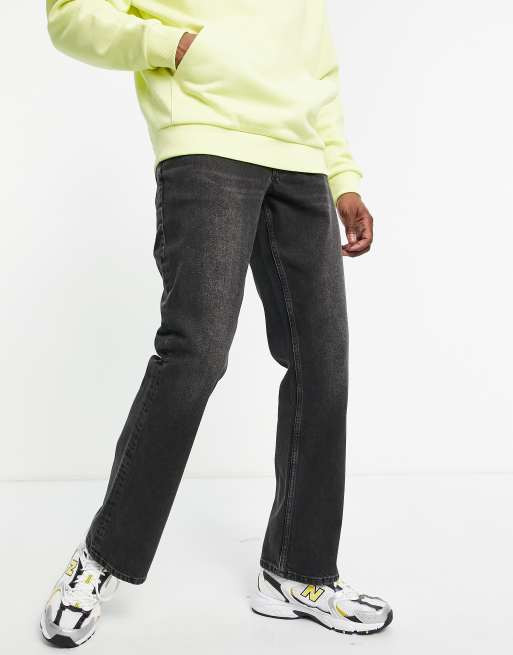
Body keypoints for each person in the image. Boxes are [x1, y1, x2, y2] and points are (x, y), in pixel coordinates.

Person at [41, 0, 392, 648]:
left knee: (322, 361)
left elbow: (318, 70)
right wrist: (167, 45)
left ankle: (296, 571)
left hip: (300, 158)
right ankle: (101, 558)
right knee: (196, 351)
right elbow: (68, 15)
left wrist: (342, 175)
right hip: (204, 139)